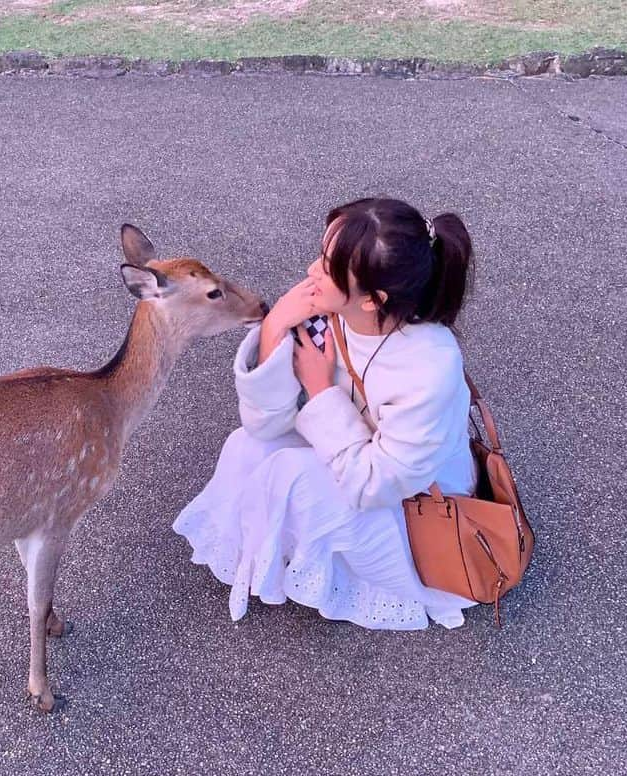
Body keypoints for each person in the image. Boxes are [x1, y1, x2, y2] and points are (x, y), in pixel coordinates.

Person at [174, 197, 478, 630]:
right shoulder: (326, 315)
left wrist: (319, 390)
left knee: (291, 474)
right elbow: (264, 425)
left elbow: (375, 486)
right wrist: (276, 325)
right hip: (351, 452)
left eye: (328, 266)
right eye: (321, 252)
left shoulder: (429, 368)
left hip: (415, 510)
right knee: (246, 447)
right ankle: (285, 554)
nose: (313, 271)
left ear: (373, 300)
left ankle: (354, 575)